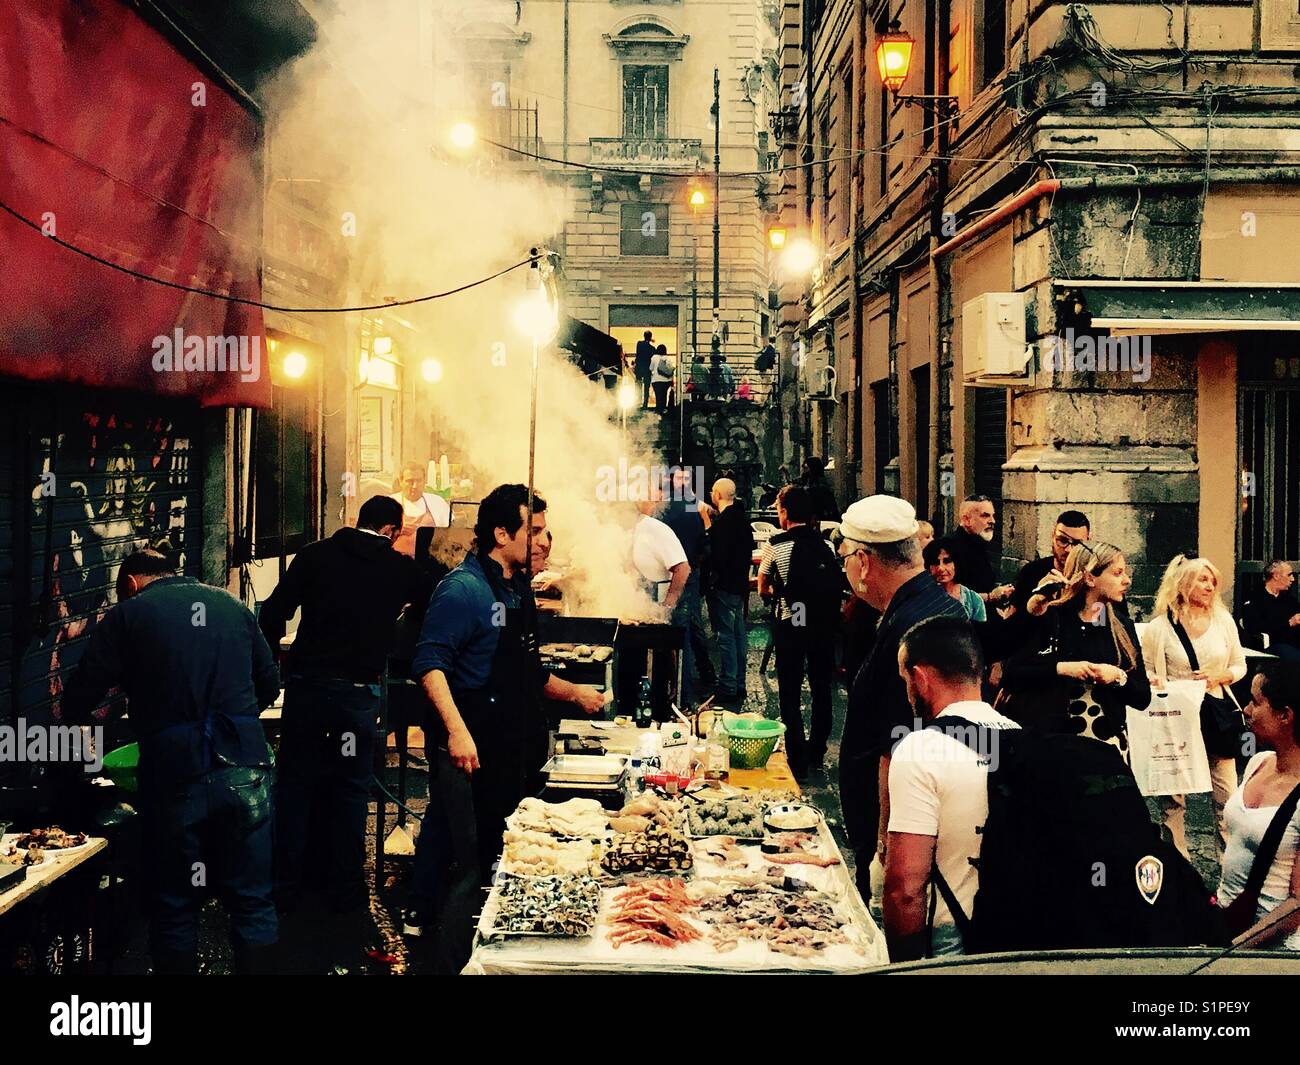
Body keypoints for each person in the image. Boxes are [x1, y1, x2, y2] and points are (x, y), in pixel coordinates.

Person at [412, 484, 604, 971]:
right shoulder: (464, 589)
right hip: (474, 745)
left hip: (512, 745)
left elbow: (526, 671)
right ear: (501, 533)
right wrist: (456, 732)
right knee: (471, 864)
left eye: (546, 532)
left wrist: (576, 693)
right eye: (534, 531)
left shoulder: (513, 589)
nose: (544, 542)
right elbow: (430, 664)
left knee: (506, 855)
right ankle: (450, 959)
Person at [64, 550, 281, 975]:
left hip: (175, 778)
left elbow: (79, 698)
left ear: (130, 583)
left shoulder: (128, 616)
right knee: (253, 901)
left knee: (176, 904)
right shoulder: (231, 605)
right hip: (245, 773)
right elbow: (269, 684)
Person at [257, 495, 431, 971]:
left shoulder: (313, 555)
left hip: (308, 693)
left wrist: (272, 668)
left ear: (356, 523)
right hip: (357, 698)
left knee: (296, 787)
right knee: (349, 792)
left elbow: (271, 613)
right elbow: (437, 593)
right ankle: (345, 892)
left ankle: (287, 890)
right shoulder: (397, 567)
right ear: (392, 530)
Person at [836, 495, 967, 892]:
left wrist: (885, 850)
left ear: (864, 561)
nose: (844, 567)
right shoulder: (908, 609)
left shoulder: (918, 624)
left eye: (845, 558)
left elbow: (899, 743)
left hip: (907, 835)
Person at [883, 615, 1020, 960]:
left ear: (920, 677)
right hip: (1016, 938)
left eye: (905, 679)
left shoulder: (920, 749)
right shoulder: (1021, 735)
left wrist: (905, 967)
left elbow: (905, 890)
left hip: (951, 941)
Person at [1000, 541, 1149, 759]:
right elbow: (1013, 673)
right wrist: (1061, 668)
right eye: (1117, 573)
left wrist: (1118, 677)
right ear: (1089, 578)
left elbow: (1142, 697)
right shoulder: (1053, 616)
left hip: (1107, 743)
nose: (1126, 580)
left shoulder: (1118, 625)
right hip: (1054, 741)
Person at [1141, 554, 1245, 860]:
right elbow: (1145, 669)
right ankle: (1179, 863)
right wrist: (1154, 680)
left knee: (1227, 795)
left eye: (1213, 581)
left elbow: (1239, 666)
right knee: (1172, 798)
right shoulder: (1160, 627)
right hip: (1176, 716)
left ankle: (1229, 864)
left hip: (1215, 712)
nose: (1210, 586)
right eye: (1202, 579)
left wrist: (1220, 675)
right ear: (1184, 584)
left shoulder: (1223, 622)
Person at [1218, 661, 1300, 950]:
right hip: (1230, 924)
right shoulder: (1257, 762)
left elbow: (1298, 905)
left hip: (1275, 951)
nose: (1246, 710)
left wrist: (1234, 952)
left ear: (1285, 715)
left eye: (1255, 702)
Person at [758, 485, 838, 776]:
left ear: (785, 512)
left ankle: (796, 754)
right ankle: (817, 750)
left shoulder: (776, 545)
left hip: (791, 622)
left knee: (790, 689)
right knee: (821, 688)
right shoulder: (825, 545)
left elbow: (762, 586)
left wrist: (777, 593)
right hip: (820, 624)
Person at [661, 469, 717, 695]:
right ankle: (703, 674)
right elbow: (704, 542)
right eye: (679, 478)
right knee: (691, 623)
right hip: (690, 571)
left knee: (678, 627)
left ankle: (681, 686)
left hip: (672, 573)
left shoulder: (665, 508)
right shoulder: (692, 506)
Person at [702, 477, 754, 706]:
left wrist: (706, 524)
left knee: (725, 638)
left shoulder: (722, 524)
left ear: (718, 495)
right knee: (738, 636)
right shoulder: (742, 519)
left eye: (713, 491)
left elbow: (715, 553)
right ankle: (739, 683)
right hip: (739, 585)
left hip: (723, 586)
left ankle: (728, 686)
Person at [1008, 509, 1090, 616]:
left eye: (1077, 543)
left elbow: (1101, 622)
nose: (1069, 549)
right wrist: (1039, 597)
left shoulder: (1093, 576)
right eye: (1063, 541)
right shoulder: (1032, 571)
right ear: (1053, 537)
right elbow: (1011, 622)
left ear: (1088, 541)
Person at [946, 495, 1014, 605]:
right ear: (966, 520)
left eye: (993, 516)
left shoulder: (980, 543)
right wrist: (989, 597)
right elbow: (947, 594)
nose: (992, 521)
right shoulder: (948, 547)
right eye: (985, 516)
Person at [390, 460, 452, 557]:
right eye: (410, 481)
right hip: (396, 562)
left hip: (429, 562)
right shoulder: (389, 503)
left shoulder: (437, 502)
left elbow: (452, 532)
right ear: (400, 481)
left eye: (419, 481)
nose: (415, 486)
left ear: (424, 481)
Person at [1242, 560, 1300, 662]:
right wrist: (1288, 623)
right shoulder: (1255, 598)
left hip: (1294, 643)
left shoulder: (1288, 599)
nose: (1293, 579)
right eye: (1289, 575)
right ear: (1276, 576)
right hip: (1273, 645)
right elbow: (1253, 626)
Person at [923, 537, 986, 622]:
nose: (940, 568)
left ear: (958, 563)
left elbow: (979, 633)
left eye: (947, 561)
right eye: (935, 562)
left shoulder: (974, 600)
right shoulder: (922, 598)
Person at [797, 456, 840, 526]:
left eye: (806, 468)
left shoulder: (821, 486)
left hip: (822, 520)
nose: (804, 471)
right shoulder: (807, 480)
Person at [650, 344, 675, 412]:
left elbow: (651, 368)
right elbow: (670, 370)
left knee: (658, 396)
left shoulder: (654, 357)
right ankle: (663, 408)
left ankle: (658, 409)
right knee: (664, 395)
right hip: (667, 381)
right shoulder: (667, 358)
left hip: (656, 380)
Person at [634, 330, 655, 408]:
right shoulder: (652, 348)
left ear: (644, 336)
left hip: (639, 368)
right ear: (650, 337)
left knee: (638, 386)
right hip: (647, 369)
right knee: (646, 387)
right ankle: (645, 404)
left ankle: (637, 402)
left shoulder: (639, 344)